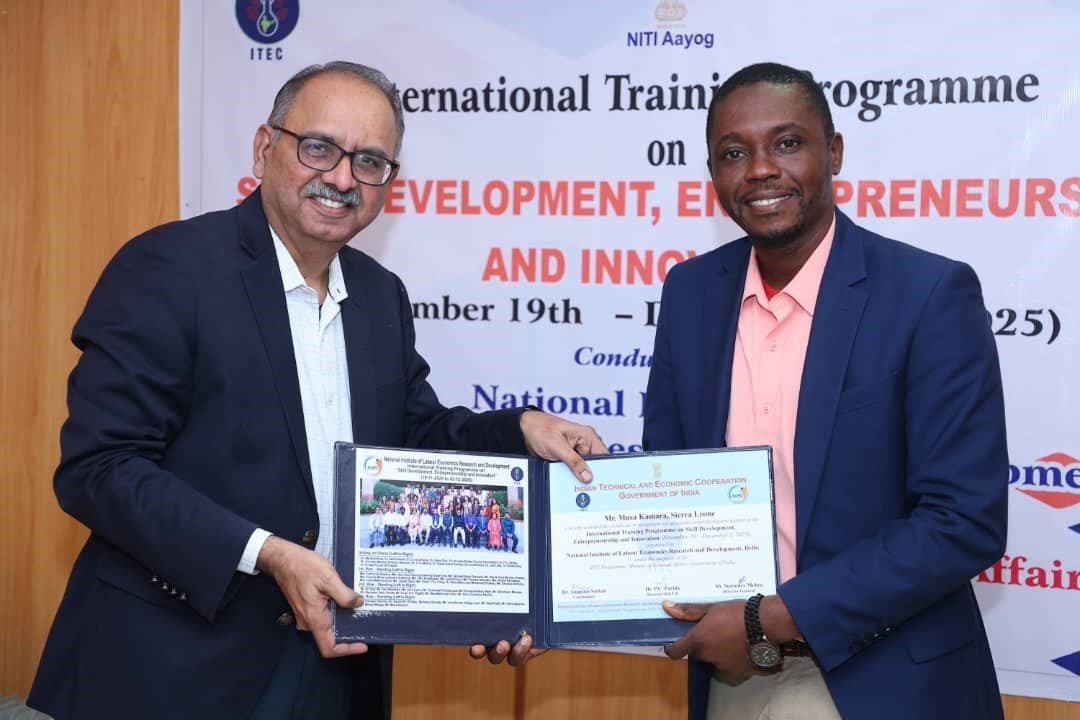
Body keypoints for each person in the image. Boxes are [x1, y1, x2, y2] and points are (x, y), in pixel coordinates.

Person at [28, 61, 604, 720]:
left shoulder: (379, 295)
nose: (342, 178)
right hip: (176, 666)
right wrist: (268, 554)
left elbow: (412, 439)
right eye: (320, 148)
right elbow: (100, 468)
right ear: (263, 147)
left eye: (370, 161)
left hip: (338, 666)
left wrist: (520, 429)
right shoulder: (170, 268)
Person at [647, 63, 1008, 719]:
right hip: (733, 676)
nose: (760, 169)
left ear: (834, 152)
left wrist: (767, 618)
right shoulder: (690, 293)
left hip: (883, 679)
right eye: (734, 153)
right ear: (712, 173)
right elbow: (666, 477)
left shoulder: (928, 295)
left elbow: (963, 522)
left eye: (786, 143)